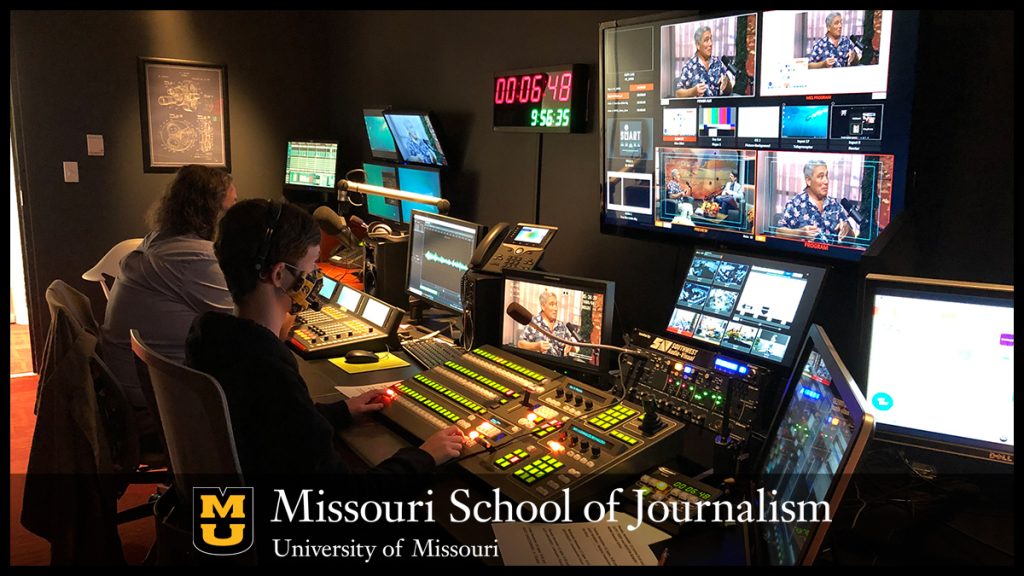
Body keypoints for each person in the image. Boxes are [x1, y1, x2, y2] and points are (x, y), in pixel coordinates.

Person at [186, 199, 463, 481]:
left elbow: (271, 426)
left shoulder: (211, 337)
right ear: (280, 275)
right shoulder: (268, 369)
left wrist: (340, 411)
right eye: (312, 265)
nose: (315, 277)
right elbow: (342, 500)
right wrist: (425, 456)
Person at [101, 164, 237, 437]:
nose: (236, 214)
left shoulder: (161, 241)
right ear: (213, 210)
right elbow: (247, 325)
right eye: (232, 205)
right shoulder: (193, 258)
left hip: (126, 391)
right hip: (151, 405)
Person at [776, 159, 853, 244]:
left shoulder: (835, 205)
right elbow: (779, 232)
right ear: (808, 181)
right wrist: (800, 233)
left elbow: (852, 240)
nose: (826, 181)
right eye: (821, 176)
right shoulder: (795, 204)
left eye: (826, 176)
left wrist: (847, 230)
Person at [674, 25, 733, 98]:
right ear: (698, 45)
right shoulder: (689, 66)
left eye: (711, 39)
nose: (710, 44)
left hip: (716, 108)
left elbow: (729, 91)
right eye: (706, 40)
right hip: (698, 108)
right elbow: (678, 93)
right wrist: (693, 91)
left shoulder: (717, 63)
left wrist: (726, 84)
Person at [517, 290, 579, 358]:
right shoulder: (533, 323)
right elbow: (520, 344)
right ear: (543, 306)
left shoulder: (561, 326)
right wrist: (536, 346)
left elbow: (574, 349)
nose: (555, 308)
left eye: (556, 304)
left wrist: (571, 347)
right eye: (552, 304)